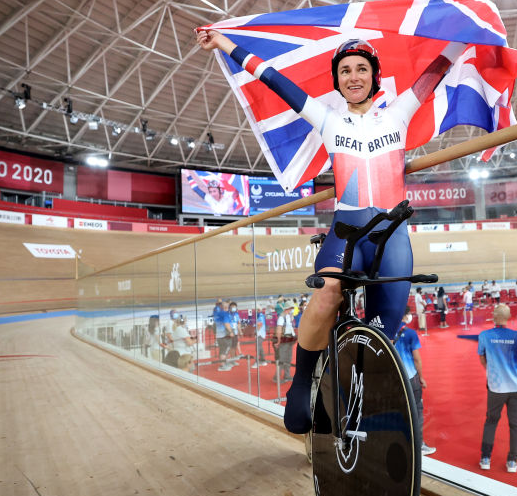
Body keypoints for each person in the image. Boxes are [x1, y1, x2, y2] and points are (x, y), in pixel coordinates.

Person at [197, 29, 461, 433]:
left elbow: (437, 70)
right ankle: (301, 383)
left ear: (375, 76)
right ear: (336, 81)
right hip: (347, 229)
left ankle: (352, 407)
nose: (353, 77)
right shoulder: (327, 119)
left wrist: (466, 36)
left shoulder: (398, 113)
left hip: (392, 235)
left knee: (380, 338)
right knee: (326, 294)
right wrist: (225, 44)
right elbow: (271, 78)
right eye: (344, 71)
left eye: (360, 69)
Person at [477, 304, 517, 473]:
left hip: (496, 388)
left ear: (495, 316)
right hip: (516, 387)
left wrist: (493, 371)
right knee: (516, 425)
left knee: (491, 421)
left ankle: (485, 458)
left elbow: (482, 359)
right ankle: (512, 461)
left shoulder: (484, 336)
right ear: (508, 317)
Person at [393, 314, 435, 455]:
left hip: (393, 379)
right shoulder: (410, 333)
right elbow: (416, 359)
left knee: (398, 410)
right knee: (416, 410)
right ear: (405, 315)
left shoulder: (385, 331)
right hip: (410, 378)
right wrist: (421, 377)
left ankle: (401, 441)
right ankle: (419, 445)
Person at [273, 303, 295, 383]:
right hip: (283, 341)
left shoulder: (288, 316)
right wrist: (278, 341)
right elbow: (278, 330)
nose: (291, 310)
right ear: (287, 309)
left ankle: (287, 375)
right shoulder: (281, 317)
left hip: (289, 340)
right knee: (282, 359)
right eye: (290, 308)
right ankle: (276, 378)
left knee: (288, 359)